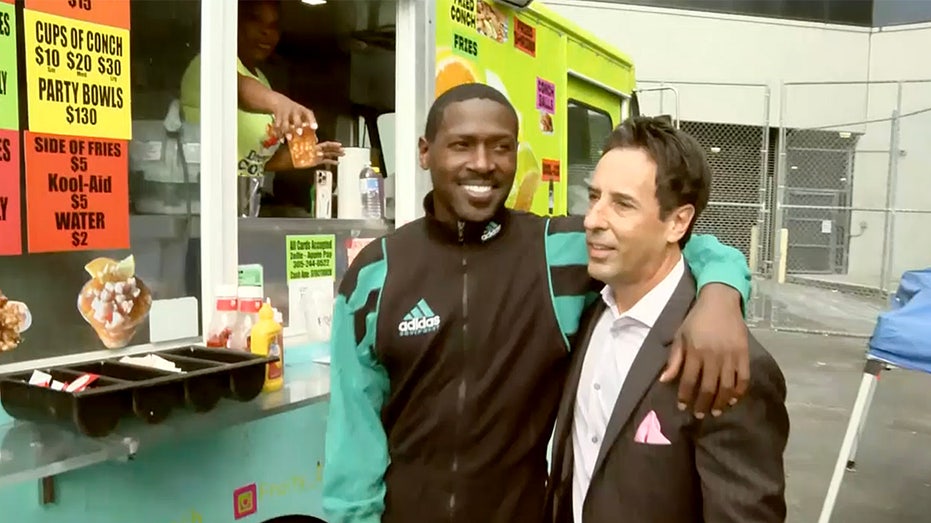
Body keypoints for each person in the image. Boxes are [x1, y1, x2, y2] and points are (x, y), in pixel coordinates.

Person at [322, 83, 753, 523]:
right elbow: (353, 438)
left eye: (501, 147)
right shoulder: (377, 273)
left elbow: (671, 241)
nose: (483, 163)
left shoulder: (558, 252)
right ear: (425, 152)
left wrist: (721, 295)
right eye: (462, 145)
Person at [545, 117, 789, 523]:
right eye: (594, 197)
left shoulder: (725, 363)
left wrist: (721, 292)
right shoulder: (587, 305)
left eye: (622, 204)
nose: (592, 220)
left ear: (677, 222)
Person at [179, 0, 343, 178]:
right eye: (255, 20)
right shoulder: (209, 63)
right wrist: (280, 104)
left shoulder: (261, 80)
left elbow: (258, 161)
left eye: (273, 26)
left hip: (245, 193)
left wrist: (304, 155)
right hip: (204, 191)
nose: (266, 32)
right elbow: (239, 89)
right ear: (234, 22)